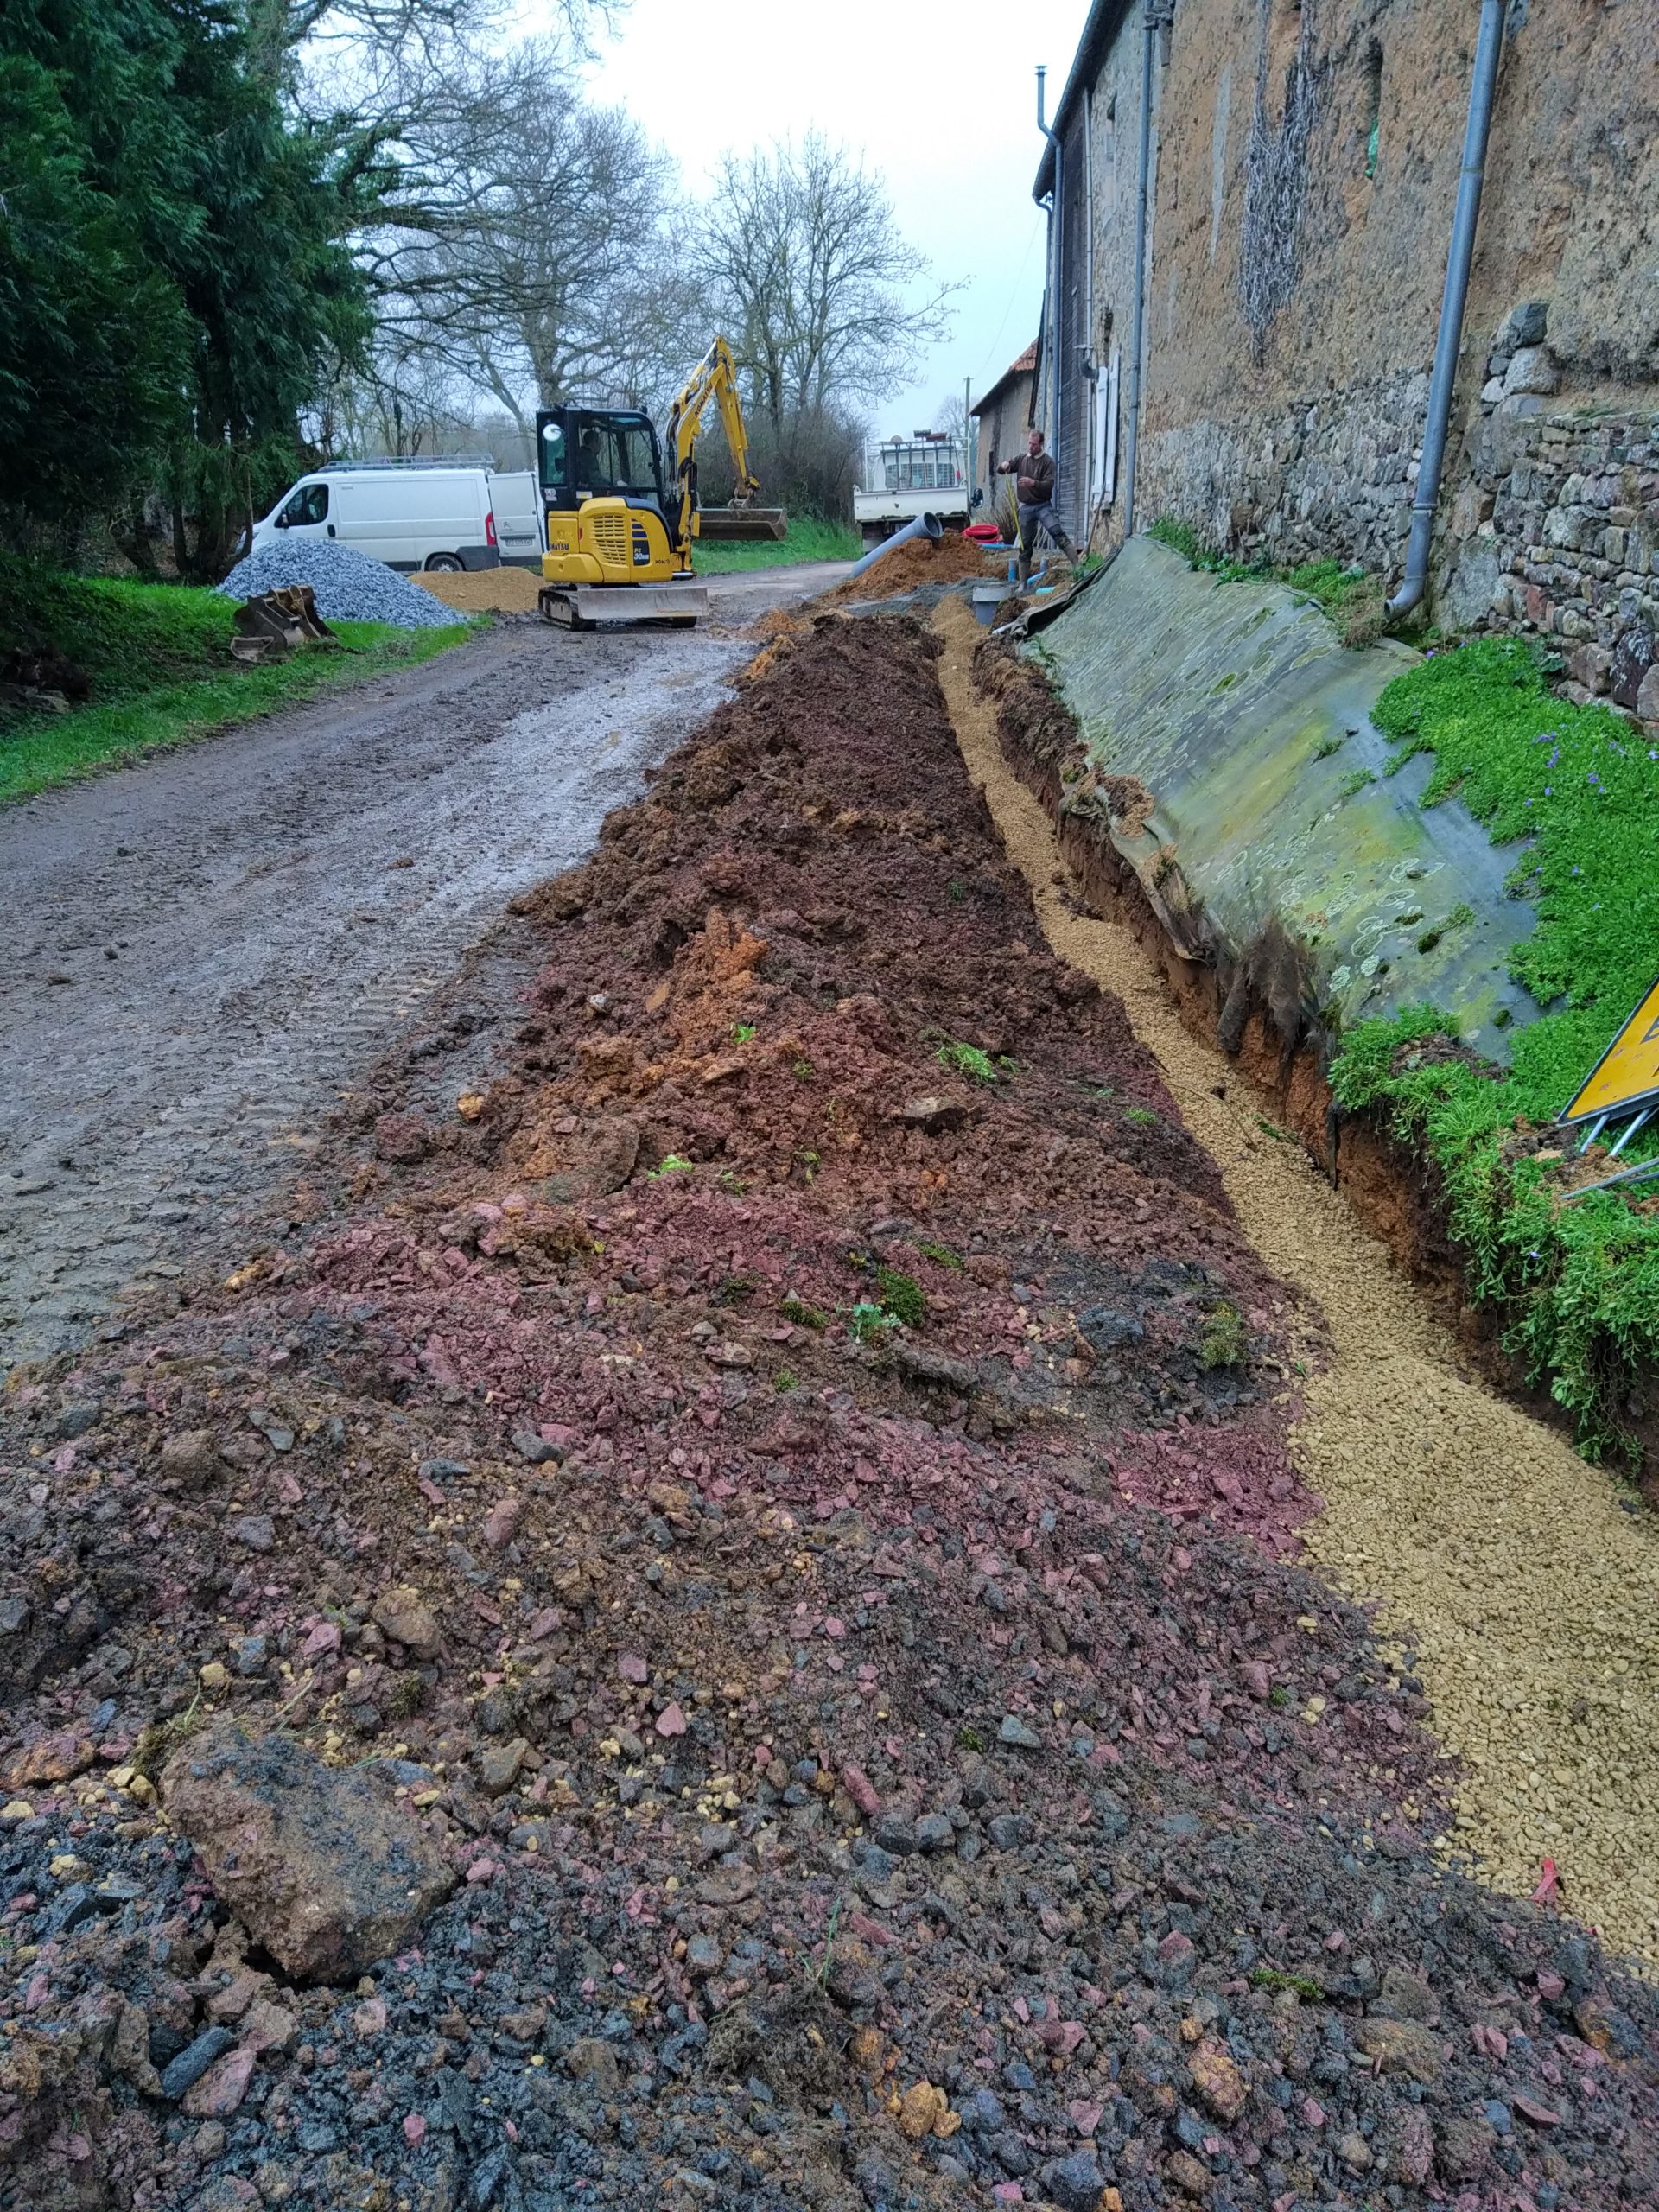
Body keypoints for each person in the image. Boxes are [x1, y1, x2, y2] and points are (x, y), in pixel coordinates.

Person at [997, 428, 1077, 587]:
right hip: (1025, 508)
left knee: (1058, 533)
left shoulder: (1048, 462)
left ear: (1041, 444)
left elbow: (1049, 485)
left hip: (1043, 506)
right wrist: (1003, 465)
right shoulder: (1022, 459)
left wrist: (1033, 483)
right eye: (1029, 443)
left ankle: (1078, 567)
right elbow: (1001, 470)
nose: (1031, 447)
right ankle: (1023, 584)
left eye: (1034, 444)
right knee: (1025, 546)